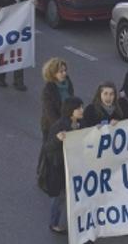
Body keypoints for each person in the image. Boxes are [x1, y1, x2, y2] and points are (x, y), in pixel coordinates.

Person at [41, 96, 84, 235]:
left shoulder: (80, 124)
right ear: (70, 110)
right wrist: (57, 140)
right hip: (61, 169)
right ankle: (54, 223)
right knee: (60, 198)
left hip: (75, 166)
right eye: (78, 108)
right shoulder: (59, 126)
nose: (81, 110)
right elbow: (48, 148)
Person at [40, 57, 74, 141]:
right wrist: (59, 128)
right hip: (52, 126)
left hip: (67, 123)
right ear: (53, 74)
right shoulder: (48, 90)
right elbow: (50, 112)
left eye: (65, 70)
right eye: (61, 72)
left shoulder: (68, 82)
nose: (64, 73)